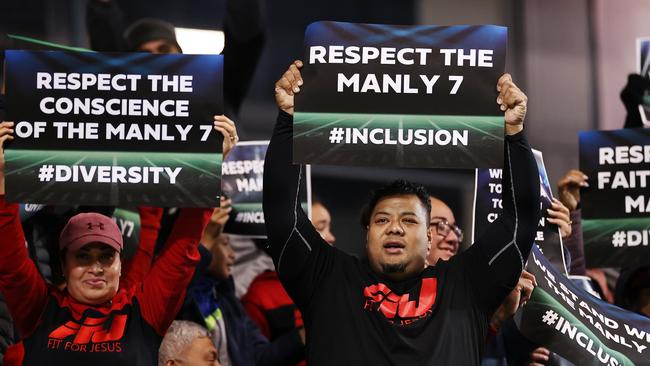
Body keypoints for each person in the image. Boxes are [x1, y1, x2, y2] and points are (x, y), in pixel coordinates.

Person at [264, 60, 540, 365]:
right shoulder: (326, 278)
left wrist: (514, 133)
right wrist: (288, 121)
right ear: (367, 232)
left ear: (430, 235)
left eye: (409, 220)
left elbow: (521, 219)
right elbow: (282, 216)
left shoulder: (467, 283)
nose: (394, 228)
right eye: (382, 220)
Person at [177, 207, 304, 366]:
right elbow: (181, 292)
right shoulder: (180, 297)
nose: (232, 254)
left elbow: (259, 358)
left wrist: (302, 336)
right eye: (224, 243)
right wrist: (206, 239)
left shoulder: (225, 298)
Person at [242, 199, 335, 366]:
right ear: (295, 233)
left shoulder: (340, 280)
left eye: (329, 227)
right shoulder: (261, 294)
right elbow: (255, 359)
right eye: (321, 228)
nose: (331, 237)